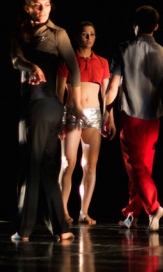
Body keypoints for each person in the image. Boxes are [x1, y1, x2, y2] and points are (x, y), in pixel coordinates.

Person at [9, 0, 85, 242]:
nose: (43, 10)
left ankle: (24, 230)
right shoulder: (20, 32)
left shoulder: (58, 34)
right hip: (37, 105)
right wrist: (31, 66)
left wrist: (75, 104)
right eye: (37, 5)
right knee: (47, 168)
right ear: (28, 8)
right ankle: (62, 229)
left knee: (31, 166)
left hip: (44, 106)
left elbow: (74, 68)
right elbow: (15, 59)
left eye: (47, 5)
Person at [103, 5, 163, 231]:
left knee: (136, 167)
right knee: (140, 169)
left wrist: (107, 114)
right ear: (156, 26)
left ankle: (154, 208)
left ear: (134, 25)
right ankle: (132, 213)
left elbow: (113, 88)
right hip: (153, 120)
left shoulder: (123, 49)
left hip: (131, 117)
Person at [57, 20, 116, 226]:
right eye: (84, 34)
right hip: (72, 113)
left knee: (90, 166)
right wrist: (59, 118)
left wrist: (110, 118)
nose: (88, 37)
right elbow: (59, 91)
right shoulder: (68, 60)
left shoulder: (102, 62)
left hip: (94, 114)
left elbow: (107, 93)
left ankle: (84, 211)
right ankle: (62, 210)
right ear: (77, 37)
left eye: (91, 34)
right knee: (68, 163)